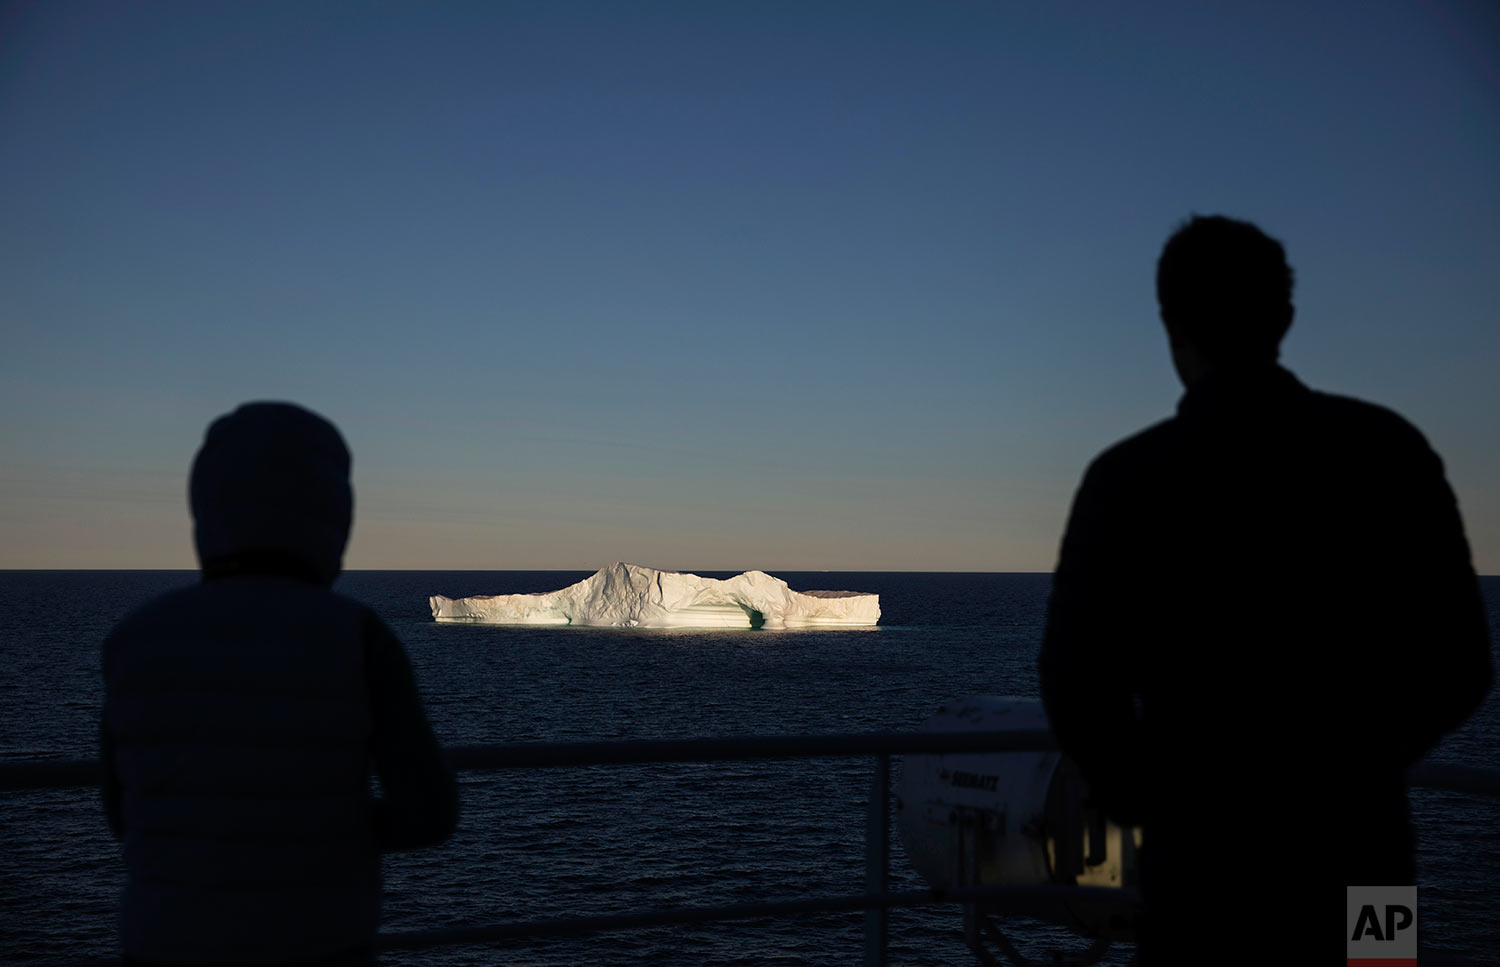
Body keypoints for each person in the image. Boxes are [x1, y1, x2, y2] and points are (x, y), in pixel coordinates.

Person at [1038, 215, 1491, 964]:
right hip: (1371, 856)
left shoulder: (1128, 478)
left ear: (1170, 323)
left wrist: (1154, 798)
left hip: (1203, 869)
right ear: (1284, 316)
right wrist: (1367, 760)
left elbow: (1073, 678)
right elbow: (1465, 663)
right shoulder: (1388, 449)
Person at [101, 402, 458, 965]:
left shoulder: (135, 637)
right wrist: (321, 833)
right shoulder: (358, 637)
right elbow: (430, 810)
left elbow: (122, 808)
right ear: (334, 515)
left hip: (165, 941)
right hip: (316, 939)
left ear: (206, 509)